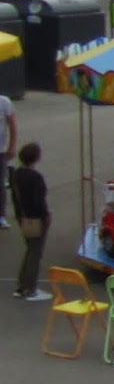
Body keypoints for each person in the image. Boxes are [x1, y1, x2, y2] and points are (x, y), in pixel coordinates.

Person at [10, 141, 49, 301]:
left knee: (30, 250)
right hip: (36, 219)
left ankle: (22, 285)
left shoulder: (16, 174)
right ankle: (30, 288)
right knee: (35, 252)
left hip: (23, 217)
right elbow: (39, 202)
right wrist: (45, 215)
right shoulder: (35, 177)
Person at [0, 91, 15, 229]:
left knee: (1, 185)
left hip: (1, 151)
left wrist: (11, 147)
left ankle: (1, 216)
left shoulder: (4, 102)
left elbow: (12, 126)